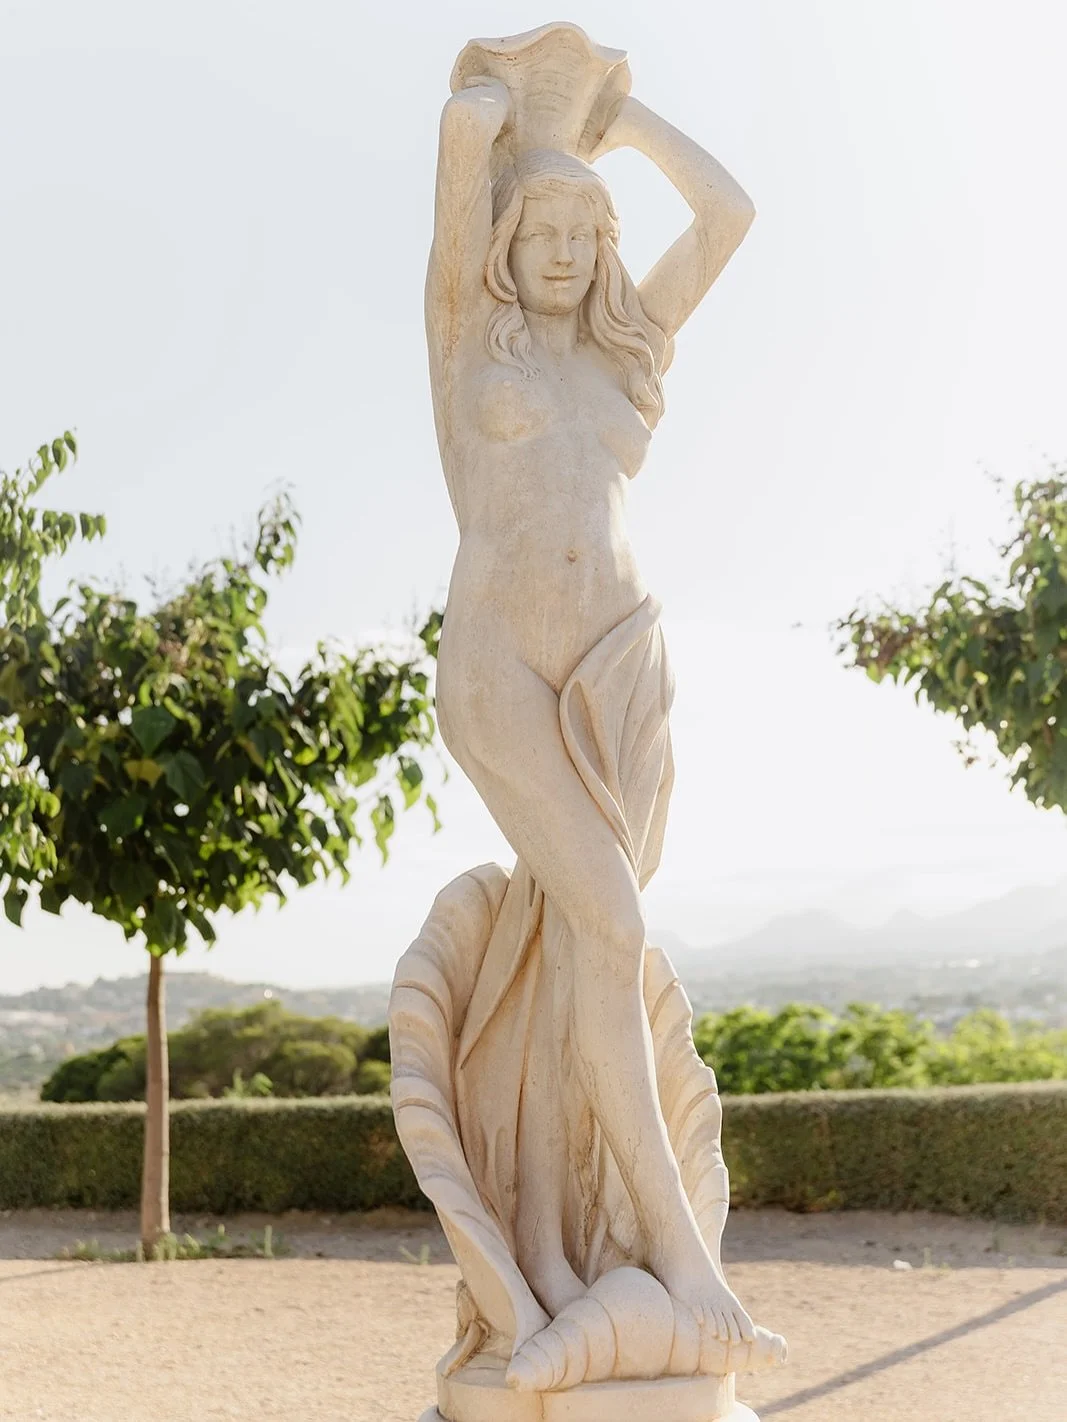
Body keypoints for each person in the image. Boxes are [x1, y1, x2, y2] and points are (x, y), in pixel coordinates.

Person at [426, 72, 757, 1349]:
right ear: (503, 248)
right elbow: (461, 183)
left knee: (582, 960)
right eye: (539, 233)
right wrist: (482, 125)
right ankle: (679, 1253)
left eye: (584, 233)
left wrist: (627, 129)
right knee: (610, 925)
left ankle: (558, 1251)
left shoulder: (629, 350)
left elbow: (728, 216)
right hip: (502, 672)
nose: (562, 252)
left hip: (619, 674)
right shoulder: (467, 339)